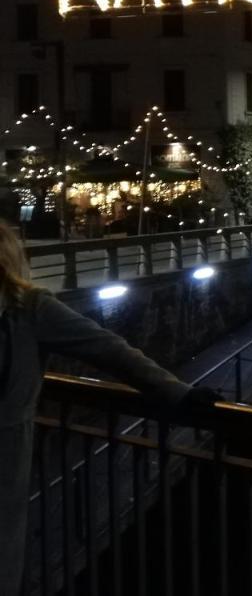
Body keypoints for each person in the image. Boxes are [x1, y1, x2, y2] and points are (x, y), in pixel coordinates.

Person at [0, 221, 216, 595]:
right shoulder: (27, 310)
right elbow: (111, 349)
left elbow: (109, 350)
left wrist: (176, 392)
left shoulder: (29, 309)